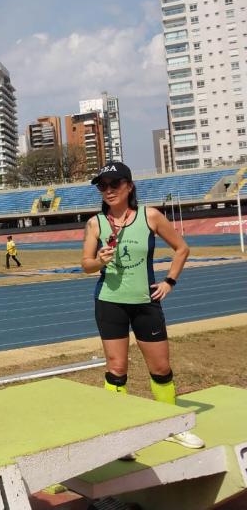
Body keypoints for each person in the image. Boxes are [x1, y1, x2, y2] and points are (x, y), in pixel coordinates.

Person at [81, 161, 204, 455]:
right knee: (116, 369)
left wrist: (169, 281)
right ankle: (121, 438)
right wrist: (99, 260)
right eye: (103, 186)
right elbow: (86, 265)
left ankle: (173, 428)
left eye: (115, 184)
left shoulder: (150, 216)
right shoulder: (95, 223)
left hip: (145, 303)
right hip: (109, 303)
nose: (109, 190)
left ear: (129, 186)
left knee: (161, 368)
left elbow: (182, 248)